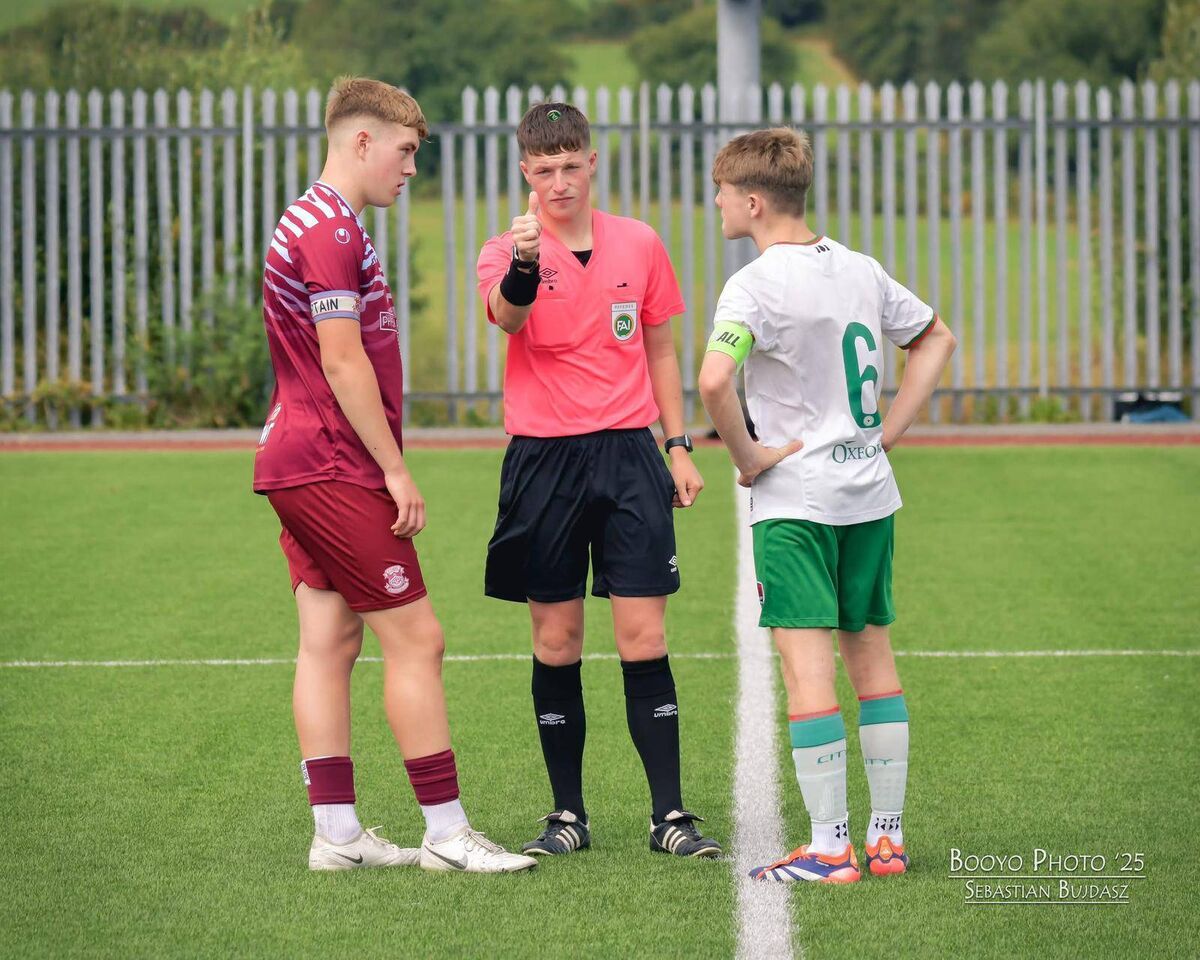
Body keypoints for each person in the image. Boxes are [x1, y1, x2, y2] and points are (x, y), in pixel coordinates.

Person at [253, 76, 535, 874]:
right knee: (419, 639)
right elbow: (342, 360)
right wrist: (395, 470)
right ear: (362, 141)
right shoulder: (330, 230)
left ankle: (336, 835)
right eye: (406, 151)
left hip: (300, 457)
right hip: (332, 461)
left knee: (330, 639)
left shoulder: (319, 220)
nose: (411, 169)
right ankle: (446, 835)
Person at [698, 127, 957, 883]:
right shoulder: (860, 269)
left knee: (807, 669)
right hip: (869, 493)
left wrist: (748, 459)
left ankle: (830, 846)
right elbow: (935, 336)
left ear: (751, 201)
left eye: (720, 192)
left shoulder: (753, 284)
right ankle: (886, 839)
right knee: (872, 656)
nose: (715, 203)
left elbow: (715, 382)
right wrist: (888, 430)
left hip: (798, 502)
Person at [475, 102, 721, 859]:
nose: (558, 182)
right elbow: (506, 319)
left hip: (628, 454)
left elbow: (664, 352)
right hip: (543, 459)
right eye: (543, 169)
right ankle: (567, 817)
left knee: (644, 634)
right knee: (557, 640)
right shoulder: (503, 250)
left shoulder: (640, 243)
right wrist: (522, 263)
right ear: (525, 171)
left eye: (570, 165)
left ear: (592, 163)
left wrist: (678, 446)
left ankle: (670, 817)